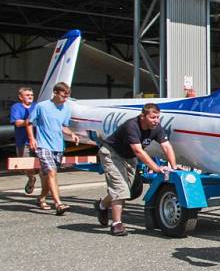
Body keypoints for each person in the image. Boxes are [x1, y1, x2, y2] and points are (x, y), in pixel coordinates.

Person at [95, 103, 177, 236]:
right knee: (120, 189)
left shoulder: (156, 127)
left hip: (129, 157)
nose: (156, 120)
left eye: (157, 117)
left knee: (123, 189)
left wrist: (173, 167)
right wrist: (156, 168)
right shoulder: (131, 126)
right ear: (142, 116)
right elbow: (138, 151)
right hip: (112, 154)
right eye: (153, 117)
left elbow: (167, 146)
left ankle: (101, 206)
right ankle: (116, 224)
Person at [26, 81, 79, 215]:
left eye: (67, 96)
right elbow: (29, 122)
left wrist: (72, 134)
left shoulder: (66, 108)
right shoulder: (42, 106)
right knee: (51, 173)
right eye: (63, 96)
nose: (65, 99)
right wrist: (32, 139)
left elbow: (63, 126)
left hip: (58, 146)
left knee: (47, 177)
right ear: (55, 93)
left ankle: (42, 197)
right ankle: (58, 204)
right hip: (43, 145)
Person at [10, 87, 40, 195]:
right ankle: (31, 178)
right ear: (21, 97)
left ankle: (45, 193)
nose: (30, 96)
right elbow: (17, 122)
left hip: (38, 141)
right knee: (24, 166)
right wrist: (29, 121)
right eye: (27, 95)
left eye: (31, 95)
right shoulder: (16, 107)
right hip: (23, 142)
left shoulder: (37, 106)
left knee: (41, 166)